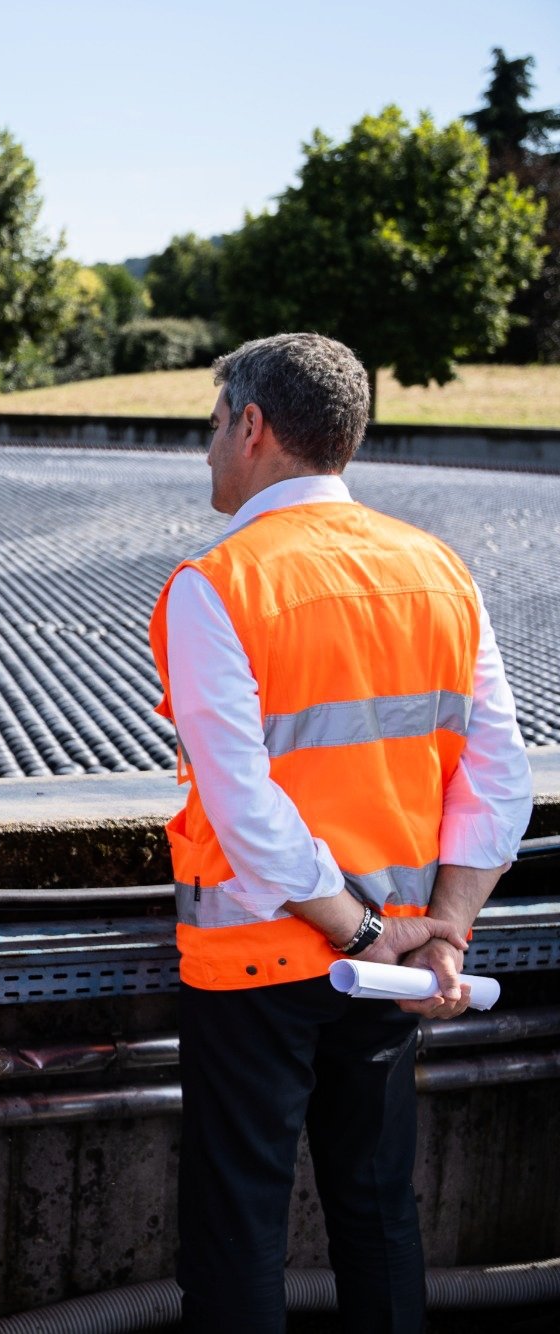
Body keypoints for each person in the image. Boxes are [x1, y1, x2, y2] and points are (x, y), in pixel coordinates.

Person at [149, 334, 533, 1333]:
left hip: (257, 960)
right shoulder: (439, 571)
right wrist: (437, 928)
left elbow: (244, 811)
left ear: (251, 425)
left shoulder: (216, 582)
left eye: (209, 425)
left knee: (237, 1230)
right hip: (399, 964)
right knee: (376, 1211)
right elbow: (498, 781)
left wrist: (357, 929)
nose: (203, 452)